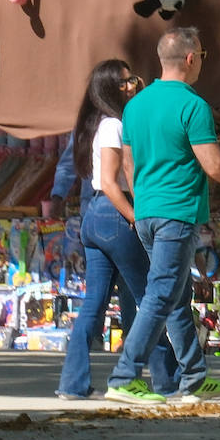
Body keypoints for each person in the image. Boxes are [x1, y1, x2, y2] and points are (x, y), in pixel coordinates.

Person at [104, 28, 220, 405]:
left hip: (148, 212)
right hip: (177, 213)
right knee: (162, 295)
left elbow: (129, 164)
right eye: (203, 54)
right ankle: (123, 377)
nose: (202, 60)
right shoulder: (193, 105)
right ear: (190, 58)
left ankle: (194, 378)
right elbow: (214, 165)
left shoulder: (135, 105)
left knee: (176, 298)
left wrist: (145, 201)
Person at [56, 60, 179, 400]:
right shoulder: (112, 124)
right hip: (113, 213)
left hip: (96, 217)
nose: (133, 86)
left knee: (95, 305)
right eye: (125, 83)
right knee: (149, 300)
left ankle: (73, 383)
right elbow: (111, 183)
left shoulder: (100, 124)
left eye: (132, 79)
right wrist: (136, 218)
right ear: (109, 89)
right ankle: (164, 378)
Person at [45, 129, 136, 336]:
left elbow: (70, 163)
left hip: (94, 210)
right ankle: (133, 347)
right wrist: (58, 194)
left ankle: (84, 345)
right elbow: (72, 163)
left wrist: (58, 195)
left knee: (99, 289)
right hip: (114, 205)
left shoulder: (93, 123)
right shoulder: (113, 122)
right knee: (129, 285)